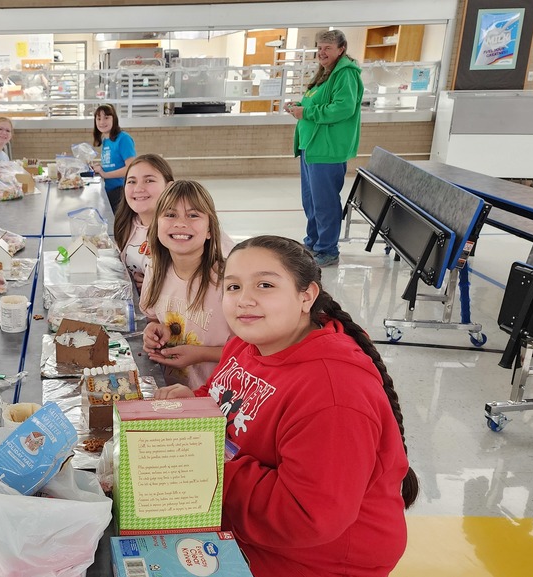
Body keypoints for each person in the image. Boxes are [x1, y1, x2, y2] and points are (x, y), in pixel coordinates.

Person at [157, 235, 418, 576]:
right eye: (233, 287)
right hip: (242, 519)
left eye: (265, 285)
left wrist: (200, 466)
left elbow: (305, 516)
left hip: (314, 558)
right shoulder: (248, 343)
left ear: (306, 296)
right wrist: (194, 402)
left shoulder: (334, 392)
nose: (244, 300)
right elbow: (223, 393)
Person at [140, 180, 235, 391]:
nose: (181, 223)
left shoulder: (229, 281)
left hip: (219, 397)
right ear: (156, 225)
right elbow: (154, 317)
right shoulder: (154, 270)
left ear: (210, 229)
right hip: (172, 392)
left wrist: (201, 354)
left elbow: (253, 351)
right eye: (170, 214)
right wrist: (154, 330)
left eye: (193, 215)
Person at [284, 29, 364, 268]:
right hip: (311, 146)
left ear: (341, 49)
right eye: (319, 48)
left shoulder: (346, 74)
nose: (322, 52)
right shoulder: (325, 73)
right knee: (311, 201)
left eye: (328, 48)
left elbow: (343, 108)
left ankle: (328, 250)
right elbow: (318, 101)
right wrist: (299, 105)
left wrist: (307, 112)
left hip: (327, 150)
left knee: (325, 203)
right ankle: (313, 242)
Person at [114, 154, 174, 292]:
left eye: (149, 180)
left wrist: (158, 285)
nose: (138, 189)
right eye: (131, 181)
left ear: (169, 187)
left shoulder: (183, 229)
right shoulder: (126, 224)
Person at [91, 104, 136, 212]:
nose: (102, 122)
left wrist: (104, 174)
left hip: (121, 191)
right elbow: (113, 164)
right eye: (99, 119)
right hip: (109, 190)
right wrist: (100, 168)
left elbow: (131, 168)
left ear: (114, 119)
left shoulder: (123, 138)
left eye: (106, 118)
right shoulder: (106, 140)